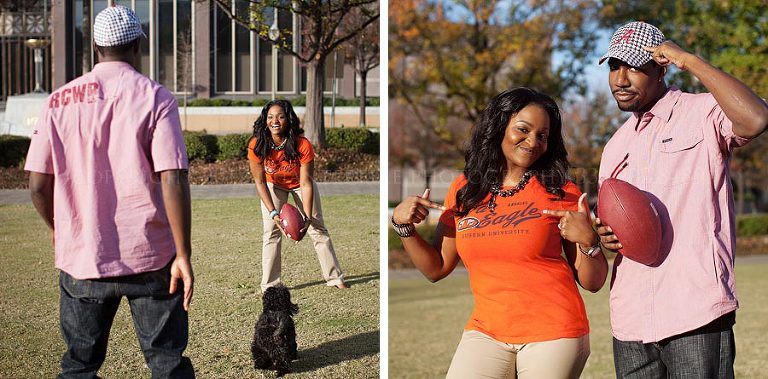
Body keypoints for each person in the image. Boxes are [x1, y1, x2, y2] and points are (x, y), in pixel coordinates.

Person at [24, 5, 195, 378]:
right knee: (167, 364)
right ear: (137, 45)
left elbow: (38, 185)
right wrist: (183, 254)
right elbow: (172, 178)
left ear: (95, 48)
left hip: (84, 256)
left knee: (79, 366)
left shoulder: (57, 101)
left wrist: (57, 227)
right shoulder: (156, 97)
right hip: (150, 256)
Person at [392, 87, 608, 378]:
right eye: (523, 129)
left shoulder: (561, 191)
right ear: (499, 127)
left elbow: (592, 282)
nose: (532, 142)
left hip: (554, 330)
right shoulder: (464, 189)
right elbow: (437, 268)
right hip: (486, 330)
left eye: (542, 136)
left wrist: (589, 242)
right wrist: (403, 227)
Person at [596, 21, 768, 377]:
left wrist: (687, 59)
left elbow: (755, 119)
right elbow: (620, 220)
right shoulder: (615, 145)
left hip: (695, 310)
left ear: (661, 67)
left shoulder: (703, 112)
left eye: (634, 66)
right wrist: (605, 236)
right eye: (615, 66)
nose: (621, 79)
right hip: (630, 318)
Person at [247, 99, 347, 291]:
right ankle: (270, 285)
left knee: (318, 228)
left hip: (299, 184)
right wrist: (273, 213)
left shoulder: (302, 144)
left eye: (280, 116)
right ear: (264, 120)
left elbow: (306, 182)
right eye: (270, 117)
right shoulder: (256, 145)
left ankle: (334, 277)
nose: (274, 121)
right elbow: (260, 182)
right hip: (273, 185)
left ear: (288, 119)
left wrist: (307, 216)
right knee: (271, 231)